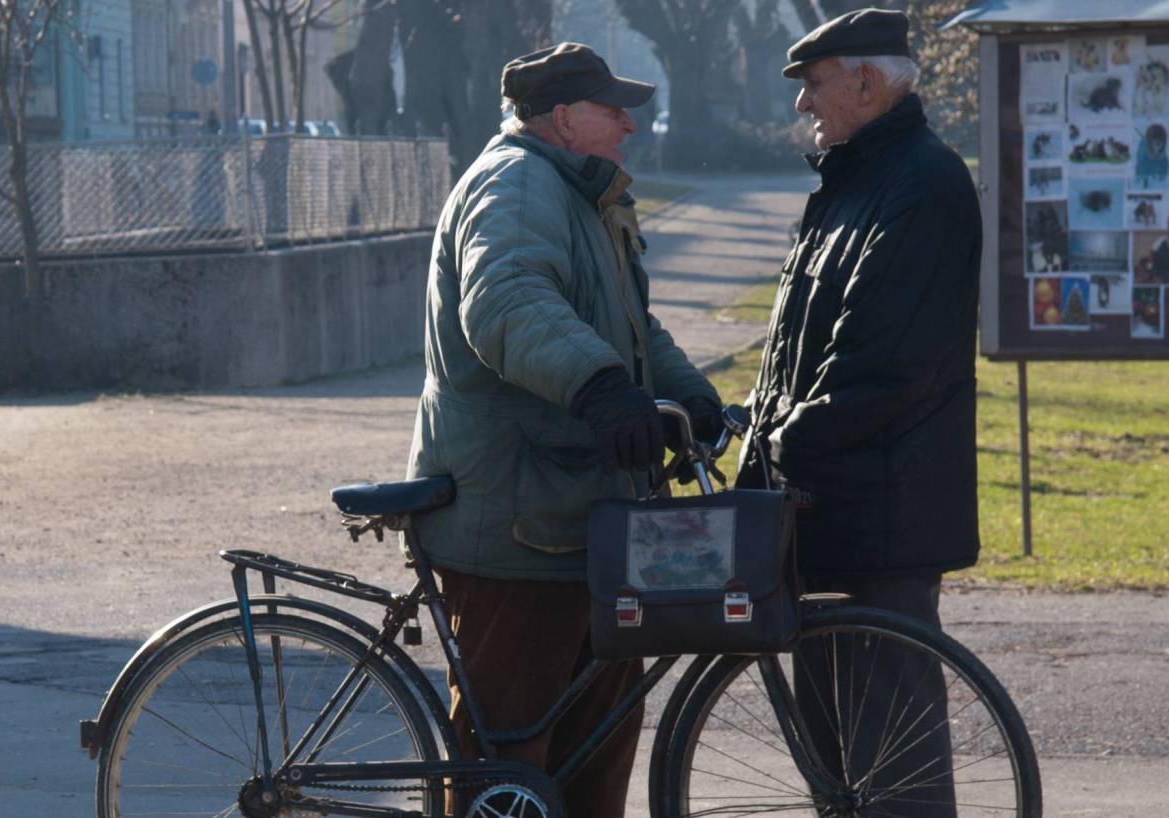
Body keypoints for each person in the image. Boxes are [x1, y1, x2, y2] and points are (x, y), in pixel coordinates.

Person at [405, 42, 721, 818]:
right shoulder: (516, 186)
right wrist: (602, 389)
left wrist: (687, 393)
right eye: (614, 110)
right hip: (518, 526)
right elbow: (506, 303)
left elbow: (629, 325)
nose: (630, 125)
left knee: (592, 757)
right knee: (506, 769)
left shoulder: (578, 193)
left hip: (579, 521)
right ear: (564, 118)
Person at [737, 9, 982, 816]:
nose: (802, 103)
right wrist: (752, 426)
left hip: (880, 526)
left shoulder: (922, 185)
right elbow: (799, 351)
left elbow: (883, 368)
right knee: (839, 778)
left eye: (815, 83)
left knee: (892, 778)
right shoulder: (854, 181)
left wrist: (778, 440)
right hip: (828, 517)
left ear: (868, 84)